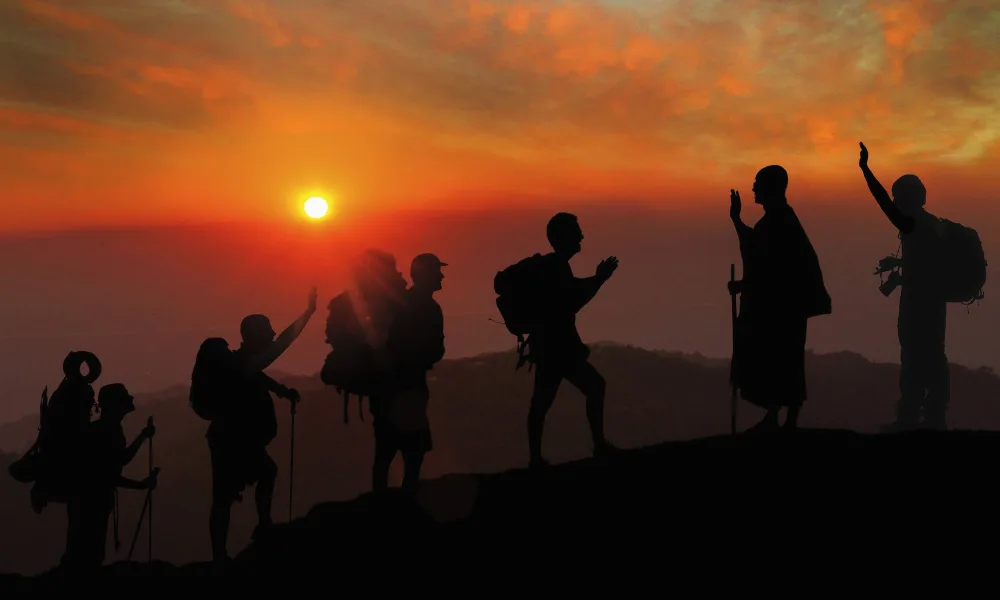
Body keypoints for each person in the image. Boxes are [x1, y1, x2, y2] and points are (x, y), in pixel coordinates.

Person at [207, 289, 316, 567]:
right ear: (255, 335)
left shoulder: (242, 362)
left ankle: (226, 549)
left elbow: (257, 376)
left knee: (231, 492)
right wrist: (307, 314)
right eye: (267, 330)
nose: (272, 334)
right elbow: (282, 344)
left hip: (228, 439)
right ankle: (236, 544)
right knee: (230, 494)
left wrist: (281, 390)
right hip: (233, 440)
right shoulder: (246, 362)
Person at [728, 165, 831, 432]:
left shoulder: (780, 221)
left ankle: (786, 419)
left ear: (770, 188)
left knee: (784, 359)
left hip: (783, 307)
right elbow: (759, 253)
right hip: (783, 305)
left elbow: (771, 267)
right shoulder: (777, 220)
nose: (752, 189)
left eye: (757, 183)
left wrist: (744, 284)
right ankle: (777, 416)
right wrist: (737, 220)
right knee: (781, 359)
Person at [858, 142, 949, 431]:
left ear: (909, 199)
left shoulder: (911, 223)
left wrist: (865, 170)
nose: (895, 203)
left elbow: (881, 201)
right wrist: (898, 267)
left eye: (899, 197)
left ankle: (911, 416)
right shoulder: (931, 224)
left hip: (918, 304)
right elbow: (928, 265)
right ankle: (933, 415)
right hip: (934, 303)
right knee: (932, 356)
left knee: (913, 357)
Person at [526, 213, 619, 468]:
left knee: (541, 403)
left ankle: (535, 459)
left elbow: (572, 292)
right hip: (558, 349)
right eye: (576, 231)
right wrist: (600, 278)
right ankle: (598, 446)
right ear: (563, 237)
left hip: (549, 348)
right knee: (594, 387)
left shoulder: (554, 266)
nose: (581, 236)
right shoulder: (555, 267)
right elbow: (572, 300)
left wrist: (598, 278)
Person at [373, 253, 448, 496]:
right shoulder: (429, 308)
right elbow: (434, 349)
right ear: (426, 275)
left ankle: (381, 502)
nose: (442, 276)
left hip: (388, 387)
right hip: (410, 386)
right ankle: (407, 501)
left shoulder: (399, 302)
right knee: (413, 450)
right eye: (437, 271)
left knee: (386, 449)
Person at [64, 383, 157, 573]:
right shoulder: (109, 432)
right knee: (89, 555)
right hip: (93, 501)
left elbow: (114, 466)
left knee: (79, 552)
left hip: (83, 500)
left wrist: (142, 436)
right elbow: (111, 471)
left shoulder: (101, 429)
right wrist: (139, 485)